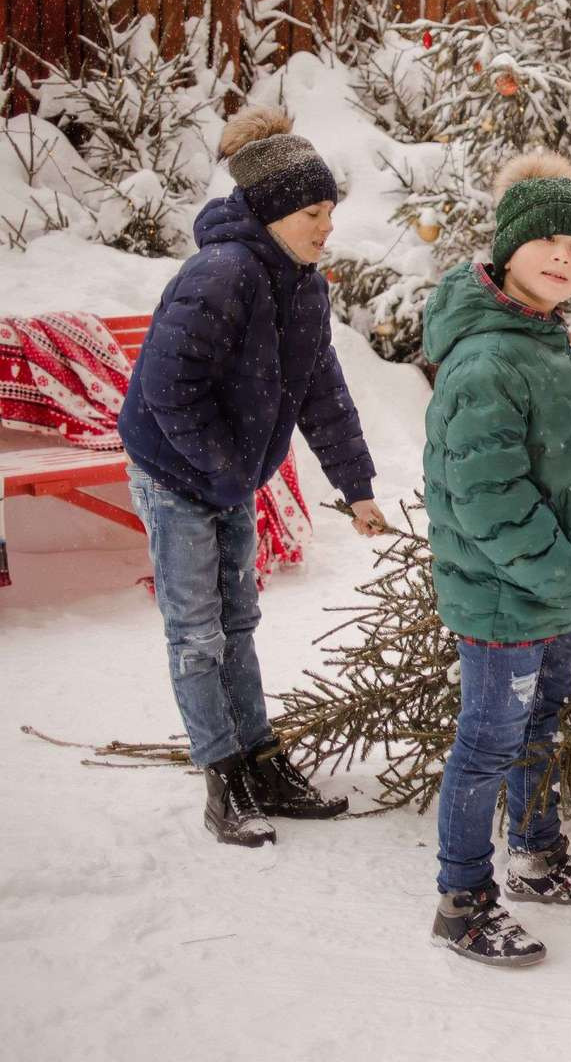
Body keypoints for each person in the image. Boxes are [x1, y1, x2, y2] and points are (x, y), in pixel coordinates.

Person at [119, 105, 387, 848]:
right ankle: (222, 777)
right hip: (177, 476)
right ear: (271, 211)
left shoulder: (304, 283)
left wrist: (356, 485)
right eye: (313, 211)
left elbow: (322, 390)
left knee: (239, 623)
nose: (326, 226)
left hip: (226, 478)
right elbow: (169, 388)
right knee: (197, 633)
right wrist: (228, 469)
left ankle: (259, 758)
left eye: (330, 210)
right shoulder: (221, 274)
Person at [422, 152, 571, 967]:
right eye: (548, 240)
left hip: (551, 596)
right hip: (507, 598)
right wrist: (558, 570)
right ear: (509, 246)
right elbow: (488, 493)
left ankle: (537, 855)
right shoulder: (485, 358)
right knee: (488, 742)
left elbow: (549, 417)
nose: (565, 257)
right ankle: (463, 900)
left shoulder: (539, 335)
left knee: (539, 727)